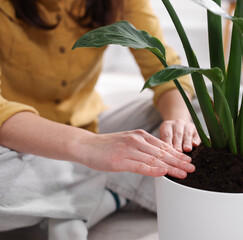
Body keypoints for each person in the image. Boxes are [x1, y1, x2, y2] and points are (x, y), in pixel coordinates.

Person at [0, 0, 199, 238]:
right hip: (17, 142)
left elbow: (164, 68)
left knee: (215, 107)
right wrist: (88, 148)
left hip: (94, 127)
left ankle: (69, 203)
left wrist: (178, 122)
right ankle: (112, 192)